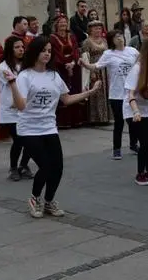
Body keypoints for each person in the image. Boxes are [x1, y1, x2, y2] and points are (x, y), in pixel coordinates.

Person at [9, 36, 102, 218]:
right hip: (29, 129)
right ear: (35, 52)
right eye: (43, 50)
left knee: (57, 167)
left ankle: (49, 200)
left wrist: (90, 92)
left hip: (49, 127)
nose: (47, 54)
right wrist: (12, 84)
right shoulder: (25, 76)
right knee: (45, 166)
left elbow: (66, 99)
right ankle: (35, 198)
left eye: (50, 51)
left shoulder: (53, 75)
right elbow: (20, 106)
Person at [80, 30, 140, 159]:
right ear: (111, 40)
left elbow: (142, 64)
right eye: (116, 37)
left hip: (130, 92)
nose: (120, 39)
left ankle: (133, 144)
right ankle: (116, 149)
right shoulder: (108, 54)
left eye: (121, 36)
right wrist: (85, 64)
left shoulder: (132, 51)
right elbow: (96, 66)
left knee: (133, 121)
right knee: (119, 122)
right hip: (116, 93)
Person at [124, 36, 148, 185]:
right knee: (145, 142)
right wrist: (135, 112)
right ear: (147, 50)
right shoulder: (138, 68)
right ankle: (140, 173)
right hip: (133, 108)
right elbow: (130, 94)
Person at [0, 36, 33, 181]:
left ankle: (23, 165)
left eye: (22, 47)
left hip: (25, 107)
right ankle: (13, 167)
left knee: (31, 140)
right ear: (10, 50)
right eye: (17, 47)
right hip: (11, 109)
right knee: (19, 140)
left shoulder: (26, 65)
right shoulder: (3, 67)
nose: (21, 50)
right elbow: (15, 84)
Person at [50, 16, 86, 129]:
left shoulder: (71, 36)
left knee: (74, 90)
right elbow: (55, 53)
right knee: (63, 92)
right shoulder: (53, 38)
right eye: (61, 23)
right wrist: (64, 64)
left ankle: (76, 120)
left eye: (65, 23)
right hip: (61, 68)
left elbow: (75, 50)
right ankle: (64, 122)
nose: (63, 25)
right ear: (56, 24)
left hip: (74, 67)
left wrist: (73, 63)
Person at [80, 21, 112, 125]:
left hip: (105, 69)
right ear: (90, 30)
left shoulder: (104, 40)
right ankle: (96, 117)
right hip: (94, 68)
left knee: (105, 91)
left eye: (99, 28)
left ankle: (106, 116)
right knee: (96, 93)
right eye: (95, 28)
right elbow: (85, 57)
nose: (98, 30)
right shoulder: (87, 42)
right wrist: (91, 72)